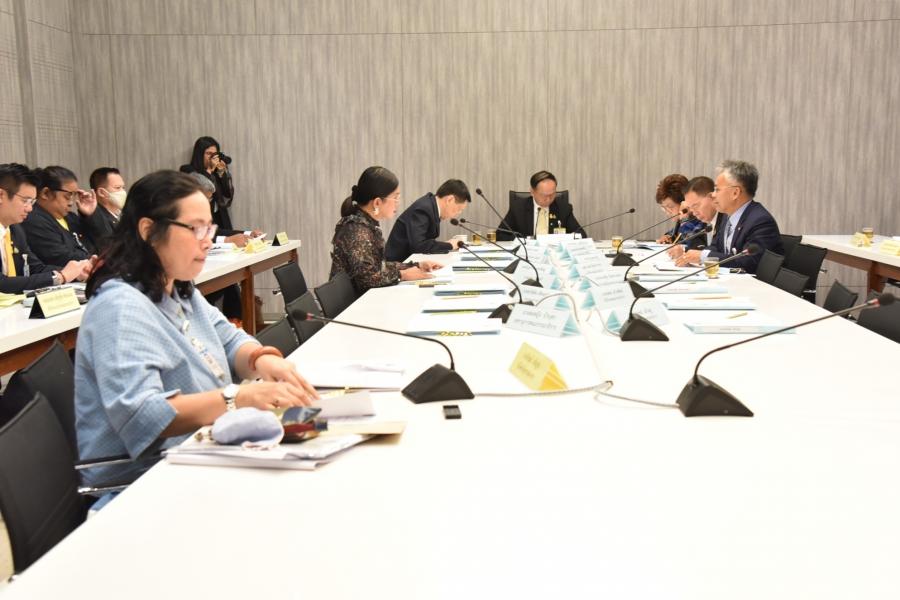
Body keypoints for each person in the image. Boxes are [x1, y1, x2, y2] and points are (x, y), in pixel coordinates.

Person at [75, 170, 318, 500]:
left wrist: (262, 360)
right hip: (142, 485)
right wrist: (238, 399)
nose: (207, 241)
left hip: (201, 454)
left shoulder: (177, 287)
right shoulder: (119, 307)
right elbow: (144, 415)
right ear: (148, 230)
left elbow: (229, 338)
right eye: (195, 229)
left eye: (210, 229)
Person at [330, 166, 440, 296]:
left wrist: (415, 266)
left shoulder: (366, 224)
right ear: (377, 202)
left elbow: (378, 266)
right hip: (356, 304)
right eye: (395, 198)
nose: (398, 203)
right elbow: (368, 279)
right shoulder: (357, 231)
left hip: (368, 298)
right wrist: (402, 275)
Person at [674, 160, 783, 273]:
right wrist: (693, 256)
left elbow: (750, 262)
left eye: (717, 189)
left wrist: (703, 257)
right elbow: (716, 247)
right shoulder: (727, 217)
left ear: (735, 193)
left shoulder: (760, 221)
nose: (713, 195)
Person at [0, 163, 90, 293]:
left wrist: (76, 273)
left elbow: (35, 268)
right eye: (25, 201)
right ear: (1, 195)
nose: (30, 208)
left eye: (32, 202)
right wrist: (60, 277)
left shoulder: (15, 230)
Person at [22, 165, 98, 267]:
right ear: (45, 193)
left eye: (74, 195)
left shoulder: (70, 217)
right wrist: (98, 261)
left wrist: (88, 216)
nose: (71, 202)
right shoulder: (33, 220)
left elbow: (100, 244)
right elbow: (60, 257)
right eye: (68, 196)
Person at [384, 179, 470, 261]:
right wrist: (449, 245)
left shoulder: (431, 206)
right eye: (459, 209)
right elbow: (419, 246)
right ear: (450, 200)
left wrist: (446, 245)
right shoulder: (423, 209)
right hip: (399, 264)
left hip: (412, 261)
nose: (458, 213)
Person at [495, 170, 585, 240]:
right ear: (532, 192)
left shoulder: (564, 208)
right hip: (528, 253)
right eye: (544, 195)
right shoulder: (518, 208)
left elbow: (581, 235)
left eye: (552, 194)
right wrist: (525, 241)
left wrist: (563, 238)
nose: (549, 199)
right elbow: (500, 234)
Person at [179, 136, 235, 231]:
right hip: (202, 220)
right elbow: (202, 190)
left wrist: (222, 173)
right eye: (209, 154)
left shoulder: (217, 171)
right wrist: (209, 170)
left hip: (220, 217)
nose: (212, 157)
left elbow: (227, 193)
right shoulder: (187, 170)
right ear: (199, 154)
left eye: (215, 154)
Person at [668, 176, 725, 260]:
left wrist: (685, 252)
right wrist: (685, 250)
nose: (694, 212)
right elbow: (697, 243)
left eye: (695, 205)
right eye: (690, 208)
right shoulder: (706, 221)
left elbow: (721, 253)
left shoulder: (725, 220)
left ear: (711, 197)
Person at [654, 173, 705, 245]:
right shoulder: (680, 220)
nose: (668, 212)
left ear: (685, 201)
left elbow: (694, 243)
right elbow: (676, 233)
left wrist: (685, 218)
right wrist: (668, 237)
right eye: (664, 208)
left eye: (670, 207)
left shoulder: (701, 218)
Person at [84, 167, 127, 253]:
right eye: (117, 188)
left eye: (123, 187)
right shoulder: (95, 217)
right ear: (101, 192)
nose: (123, 192)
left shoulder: (123, 215)